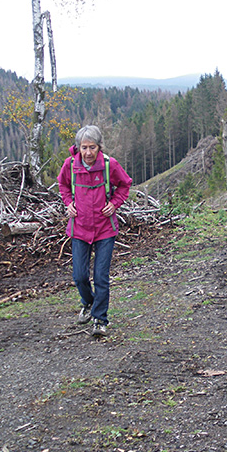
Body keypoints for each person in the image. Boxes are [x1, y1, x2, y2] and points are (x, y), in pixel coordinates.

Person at [58, 125, 132, 335]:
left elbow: (125, 185)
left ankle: (100, 320)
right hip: (79, 228)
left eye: (92, 147)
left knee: (101, 276)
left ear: (99, 147)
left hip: (104, 229)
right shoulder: (70, 165)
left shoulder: (110, 165)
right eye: (84, 147)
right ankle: (88, 303)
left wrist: (115, 204)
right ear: (78, 148)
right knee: (80, 276)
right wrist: (68, 202)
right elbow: (62, 185)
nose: (88, 152)